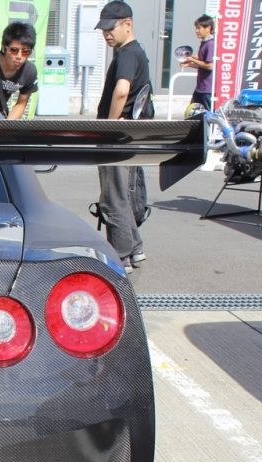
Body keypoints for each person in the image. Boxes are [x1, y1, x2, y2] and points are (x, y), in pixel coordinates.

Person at [94, 1, 153, 274]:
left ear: (128, 24)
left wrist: (109, 124)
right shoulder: (137, 52)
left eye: (111, 28)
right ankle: (135, 248)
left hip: (117, 136)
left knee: (114, 196)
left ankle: (120, 256)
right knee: (124, 194)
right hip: (130, 134)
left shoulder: (127, 54)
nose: (106, 34)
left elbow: (121, 91)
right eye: (103, 29)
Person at [181, 15, 214, 111]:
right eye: (196, 28)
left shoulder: (210, 44)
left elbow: (210, 66)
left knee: (207, 115)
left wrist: (192, 59)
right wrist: (189, 64)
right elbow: (202, 64)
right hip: (200, 87)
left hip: (207, 89)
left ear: (208, 28)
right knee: (191, 112)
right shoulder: (204, 43)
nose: (196, 31)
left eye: (199, 28)